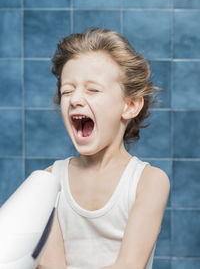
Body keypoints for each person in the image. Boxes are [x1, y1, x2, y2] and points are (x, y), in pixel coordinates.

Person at [38, 28, 170, 269]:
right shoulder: (48, 181)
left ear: (130, 106)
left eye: (93, 90)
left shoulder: (149, 182)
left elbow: (129, 265)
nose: (75, 99)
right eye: (67, 91)